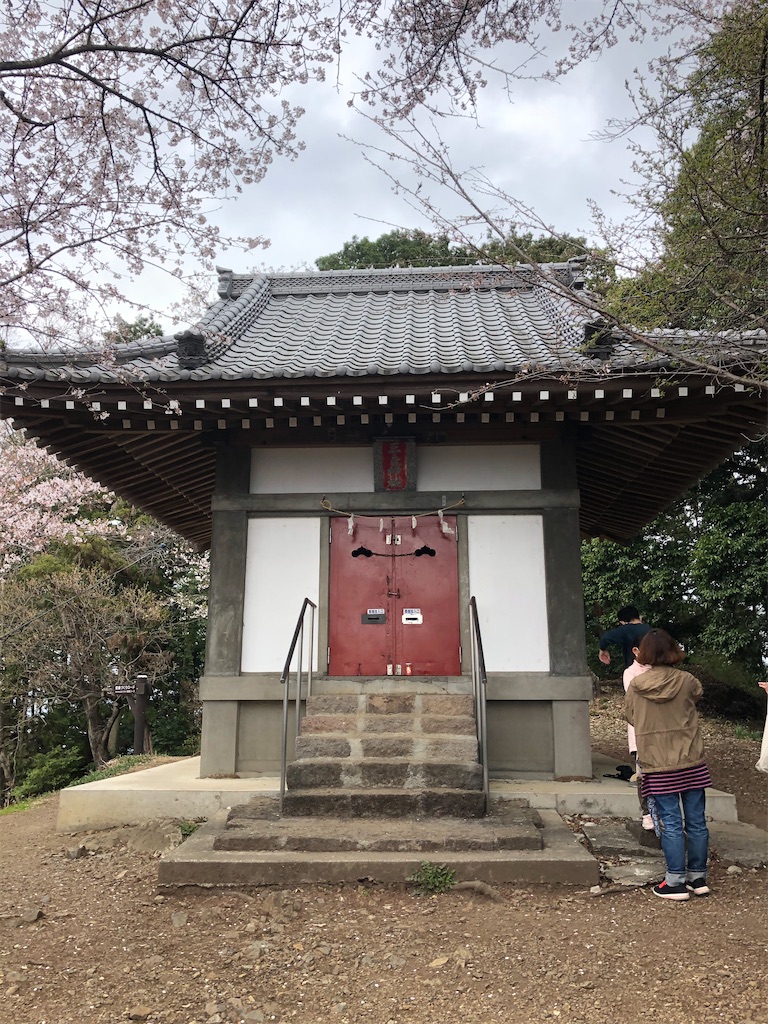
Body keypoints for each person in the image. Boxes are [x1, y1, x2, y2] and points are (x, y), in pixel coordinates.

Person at [625, 628, 711, 901]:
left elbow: (630, 716)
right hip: (690, 759)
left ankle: (674, 881)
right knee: (697, 821)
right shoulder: (687, 680)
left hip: (657, 762)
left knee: (671, 822)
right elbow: (697, 695)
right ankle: (697, 878)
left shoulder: (637, 686)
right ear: (673, 650)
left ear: (646, 652)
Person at [623, 645, 654, 830]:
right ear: (635, 650)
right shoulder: (630, 672)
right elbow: (635, 698)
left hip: (661, 732)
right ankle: (647, 813)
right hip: (640, 731)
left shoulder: (662, 670)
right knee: (643, 775)